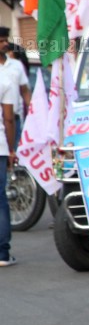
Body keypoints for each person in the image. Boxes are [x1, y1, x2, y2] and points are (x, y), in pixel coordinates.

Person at [0, 61, 16, 267]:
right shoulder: (5, 80)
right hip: (0, 147)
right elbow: (9, 119)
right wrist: (12, 149)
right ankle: (2, 254)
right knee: (0, 199)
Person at [0, 40, 31, 141]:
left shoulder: (16, 66)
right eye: (1, 41)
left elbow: (25, 91)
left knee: (13, 152)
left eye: (5, 40)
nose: (5, 44)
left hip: (14, 119)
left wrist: (34, 111)